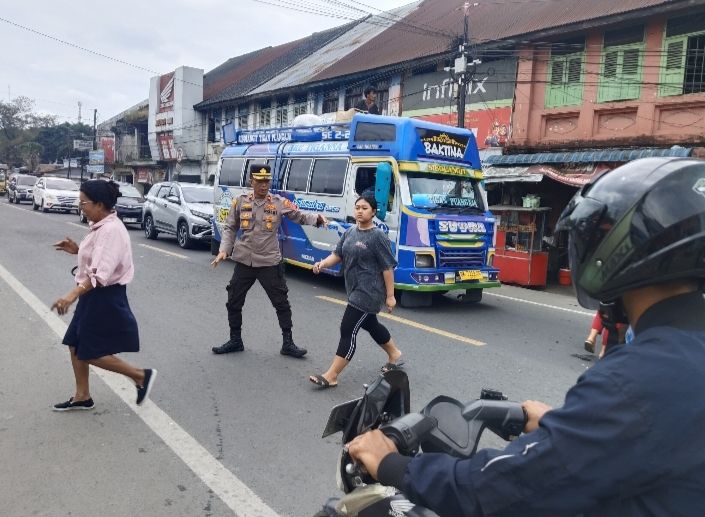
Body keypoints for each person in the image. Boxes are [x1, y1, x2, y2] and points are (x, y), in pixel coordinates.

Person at [346, 157, 705, 515]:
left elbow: (500, 489)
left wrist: (393, 465)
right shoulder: (680, 356)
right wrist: (563, 426)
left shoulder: (638, 378)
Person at [51, 180, 157, 411]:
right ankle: (82, 396)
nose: (81, 207)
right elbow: (100, 258)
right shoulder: (101, 225)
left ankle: (140, 375)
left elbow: (100, 274)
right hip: (94, 295)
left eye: (84, 203)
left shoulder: (111, 230)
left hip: (103, 296)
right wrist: (78, 250)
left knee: (88, 351)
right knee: (74, 343)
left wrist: (71, 296)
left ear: (99, 204)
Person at [211, 164, 328, 357]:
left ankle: (288, 343)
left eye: (267, 181)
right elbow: (230, 227)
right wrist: (224, 250)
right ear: (251, 181)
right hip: (244, 261)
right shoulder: (239, 201)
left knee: (281, 302)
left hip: (269, 262)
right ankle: (235, 340)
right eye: (260, 181)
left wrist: (317, 218)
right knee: (233, 300)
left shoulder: (278, 202)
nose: (264, 185)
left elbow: (298, 216)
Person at [308, 195, 401, 389]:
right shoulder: (350, 232)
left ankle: (332, 375)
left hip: (369, 292)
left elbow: (387, 268)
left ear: (373, 212)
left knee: (348, 329)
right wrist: (322, 264)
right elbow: (337, 254)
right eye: (357, 207)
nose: (359, 211)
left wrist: (390, 296)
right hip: (354, 288)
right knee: (371, 324)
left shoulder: (377, 237)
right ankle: (394, 354)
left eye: (364, 208)